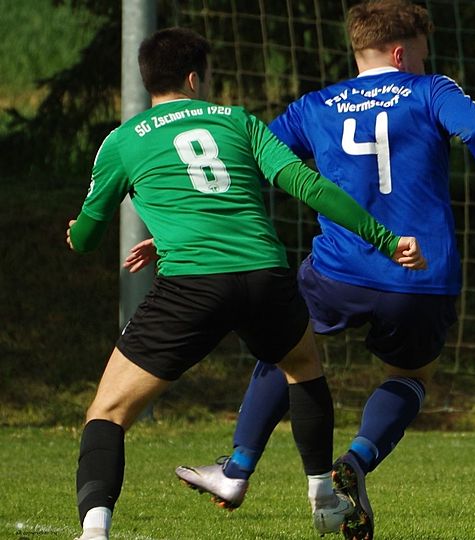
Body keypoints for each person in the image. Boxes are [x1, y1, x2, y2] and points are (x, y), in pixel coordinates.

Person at [165, 1, 475, 538]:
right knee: (411, 376)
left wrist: (183, 225)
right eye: (421, 52)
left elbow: (247, 161)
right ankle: (355, 462)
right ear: (400, 54)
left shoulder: (315, 105)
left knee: (286, 348)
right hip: (419, 275)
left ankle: (237, 469)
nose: (423, 62)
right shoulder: (431, 91)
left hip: (337, 271)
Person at [67, 27, 425, 540]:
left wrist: (78, 233)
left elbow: (87, 236)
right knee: (302, 367)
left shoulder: (123, 141)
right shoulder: (237, 121)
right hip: (264, 277)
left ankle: (95, 531)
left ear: (149, 80)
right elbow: (308, 185)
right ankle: (323, 498)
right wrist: (385, 239)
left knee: (108, 411)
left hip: (191, 285)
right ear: (195, 79)